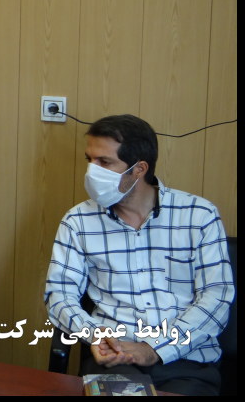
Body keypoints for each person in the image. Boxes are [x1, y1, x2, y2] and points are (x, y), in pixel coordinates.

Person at [44, 114, 234, 395]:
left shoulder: (199, 216)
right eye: (89, 160)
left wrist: (154, 349)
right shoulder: (78, 221)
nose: (91, 172)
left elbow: (216, 297)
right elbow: (59, 294)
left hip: (186, 360)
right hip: (114, 357)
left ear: (139, 169)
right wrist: (95, 334)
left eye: (104, 162)